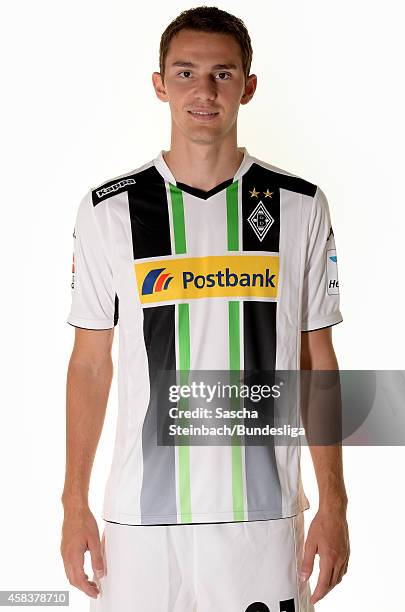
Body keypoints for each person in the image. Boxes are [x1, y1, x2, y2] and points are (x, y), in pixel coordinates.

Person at [60, 6, 350, 611]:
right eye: (186, 72)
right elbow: (90, 363)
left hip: (264, 522)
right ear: (160, 83)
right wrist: (73, 504)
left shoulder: (299, 205)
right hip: (140, 520)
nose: (203, 91)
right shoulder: (107, 210)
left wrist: (335, 505)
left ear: (248, 85)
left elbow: (316, 359)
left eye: (222, 74)